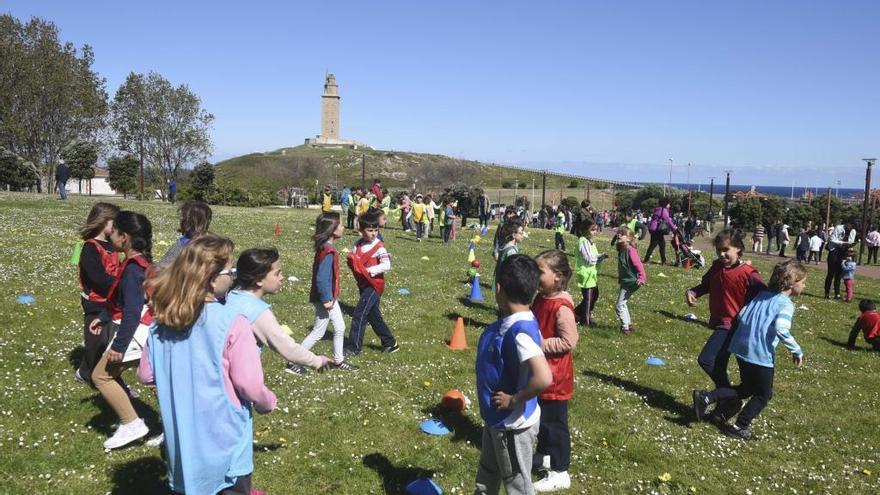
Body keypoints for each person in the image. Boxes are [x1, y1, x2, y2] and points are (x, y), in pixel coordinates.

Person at [139, 235, 277, 494]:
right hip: (226, 442)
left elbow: (146, 374)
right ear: (213, 278)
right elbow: (249, 384)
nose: (233, 276)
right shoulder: (233, 322)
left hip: (183, 444)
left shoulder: (159, 325)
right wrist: (267, 400)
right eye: (230, 270)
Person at [693, 260, 806, 440]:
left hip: (742, 349)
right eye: (803, 282)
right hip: (760, 355)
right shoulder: (786, 304)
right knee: (763, 394)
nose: (804, 285)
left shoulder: (761, 295)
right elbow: (781, 328)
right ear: (792, 283)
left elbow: (743, 315)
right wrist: (796, 350)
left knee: (746, 388)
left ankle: (707, 397)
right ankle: (740, 426)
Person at [474, 254, 552, 495]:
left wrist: (514, 399)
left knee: (517, 483)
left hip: (513, 426)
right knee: (488, 470)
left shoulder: (520, 333)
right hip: (497, 419)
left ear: (499, 289)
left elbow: (544, 377)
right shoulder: (516, 321)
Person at [88, 211, 154, 450]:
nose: (110, 235)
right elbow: (122, 301)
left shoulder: (131, 270)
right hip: (144, 332)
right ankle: (175, 427)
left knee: (101, 376)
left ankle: (132, 422)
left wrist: (118, 346)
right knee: (158, 382)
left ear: (124, 237)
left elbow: (132, 311)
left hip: (135, 334)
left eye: (113, 231)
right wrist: (104, 317)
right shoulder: (141, 264)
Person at [686, 229, 766, 424]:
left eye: (726, 250)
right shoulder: (716, 267)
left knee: (706, 360)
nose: (722, 255)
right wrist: (693, 292)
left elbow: (765, 295)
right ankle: (728, 401)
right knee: (719, 365)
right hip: (721, 323)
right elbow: (706, 285)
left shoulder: (748, 273)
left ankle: (727, 399)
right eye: (718, 251)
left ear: (738, 248)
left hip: (735, 326)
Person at [226, 248, 332, 375]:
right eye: (277, 273)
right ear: (259, 279)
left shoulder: (230, 296)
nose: (282, 277)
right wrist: (317, 361)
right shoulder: (257, 311)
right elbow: (285, 346)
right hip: (240, 375)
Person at [531, 250, 577, 492]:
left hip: (555, 377)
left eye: (540, 272)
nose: (535, 276)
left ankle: (560, 472)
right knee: (542, 420)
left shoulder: (561, 306)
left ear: (558, 276)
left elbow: (569, 341)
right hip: (540, 372)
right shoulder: (541, 298)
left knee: (555, 424)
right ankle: (543, 454)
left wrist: (541, 344)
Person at [298, 212, 358, 370]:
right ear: (332, 229)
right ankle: (294, 360)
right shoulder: (328, 251)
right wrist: (326, 299)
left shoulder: (326, 247)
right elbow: (321, 278)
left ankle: (338, 360)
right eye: (341, 225)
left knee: (340, 327)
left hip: (329, 297)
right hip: (325, 298)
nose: (344, 227)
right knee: (318, 331)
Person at [75, 202, 121, 386]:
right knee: (95, 342)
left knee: (109, 343)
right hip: (95, 303)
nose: (118, 228)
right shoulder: (90, 248)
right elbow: (98, 278)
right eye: (115, 223)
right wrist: (120, 286)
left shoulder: (112, 245)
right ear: (103, 222)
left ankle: (107, 377)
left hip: (111, 301)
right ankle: (85, 373)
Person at [344, 210, 399, 356]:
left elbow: (386, 265)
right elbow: (354, 259)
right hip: (363, 284)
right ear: (361, 231)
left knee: (359, 314)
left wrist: (370, 270)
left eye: (376, 230)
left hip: (374, 285)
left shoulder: (379, 247)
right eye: (370, 230)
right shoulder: (357, 244)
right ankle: (390, 343)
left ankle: (354, 348)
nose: (374, 233)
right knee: (373, 316)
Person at [156, 200, 213, 271]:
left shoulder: (181, 245)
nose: (181, 220)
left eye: (183, 217)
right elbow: (161, 269)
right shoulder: (212, 245)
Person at [615, 227, 647, 336]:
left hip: (632, 281)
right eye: (618, 233)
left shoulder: (630, 250)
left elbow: (638, 264)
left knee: (619, 306)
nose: (619, 235)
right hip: (626, 281)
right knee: (623, 303)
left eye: (622, 234)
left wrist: (642, 277)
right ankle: (628, 324)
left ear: (628, 239)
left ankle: (625, 328)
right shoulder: (622, 249)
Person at [574, 217, 605, 328]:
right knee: (588, 299)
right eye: (592, 230)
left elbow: (593, 256)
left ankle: (576, 314)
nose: (595, 232)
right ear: (586, 230)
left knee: (594, 296)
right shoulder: (583, 242)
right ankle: (585, 321)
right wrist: (601, 257)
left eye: (596, 229)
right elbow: (589, 259)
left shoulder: (590, 242)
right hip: (586, 275)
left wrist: (600, 256)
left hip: (592, 275)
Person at [643, 199, 677, 265]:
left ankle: (663, 261)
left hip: (653, 228)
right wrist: (674, 227)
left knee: (662, 245)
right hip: (657, 229)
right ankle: (646, 260)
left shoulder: (658, 209)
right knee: (653, 245)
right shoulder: (663, 210)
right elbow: (668, 220)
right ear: (665, 204)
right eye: (668, 204)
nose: (669, 205)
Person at [825, 223, 854, 299]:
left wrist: (850, 244)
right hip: (834, 251)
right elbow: (832, 239)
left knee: (839, 275)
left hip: (843, 252)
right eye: (849, 227)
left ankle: (837, 294)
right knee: (830, 274)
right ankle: (826, 293)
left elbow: (851, 241)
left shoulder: (853, 230)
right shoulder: (838, 228)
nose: (850, 228)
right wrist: (843, 242)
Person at [494, 219, 524, 290]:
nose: (523, 235)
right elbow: (513, 269)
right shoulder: (511, 251)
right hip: (507, 283)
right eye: (521, 233)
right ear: (514, 235)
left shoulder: (506, 245)